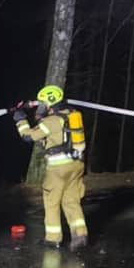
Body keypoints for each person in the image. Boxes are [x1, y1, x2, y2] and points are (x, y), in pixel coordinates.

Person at [13, 85, 88, 251]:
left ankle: (53, 238)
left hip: (58, 169)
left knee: (51, 202)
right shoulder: (72, 115)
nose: (41, 106)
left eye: (43, 103)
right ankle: (80, 234)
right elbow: (54, 138)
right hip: (76, 165)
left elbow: (28, 136)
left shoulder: (51, 121)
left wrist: (20, 119)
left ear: (50, 102)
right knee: (71, 201)